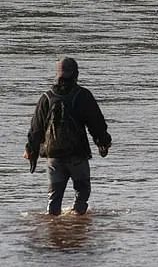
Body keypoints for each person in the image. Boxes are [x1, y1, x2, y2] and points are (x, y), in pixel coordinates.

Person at [23, 58, 112, 216]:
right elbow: (96, 124)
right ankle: (77, 226)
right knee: (82, 196)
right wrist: (103, 142)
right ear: (76, 74)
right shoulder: (83, 95)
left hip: (53, 157)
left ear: (57, 75)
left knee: (54, 201)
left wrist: (31, 149)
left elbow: (35, 129)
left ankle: (54, 231)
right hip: (77, 156)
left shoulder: (46, 98)